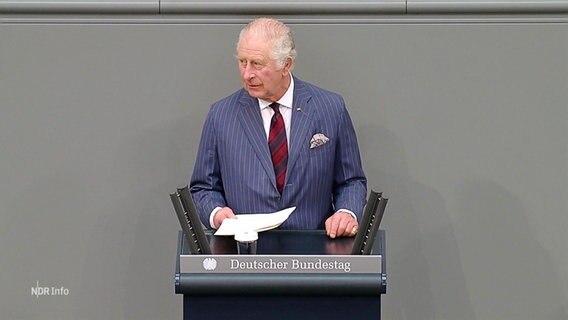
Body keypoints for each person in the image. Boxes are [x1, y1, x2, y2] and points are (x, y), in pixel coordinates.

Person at [190, 17, 367, 238]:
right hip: (245, 255)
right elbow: (203, 188)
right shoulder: (221, 115)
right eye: (242, 62)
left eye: (257, 64)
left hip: (313, 254)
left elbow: (351, 181)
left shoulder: (330, 108)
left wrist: (346, 212)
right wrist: (215, 213)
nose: (247, 74)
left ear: (287, 64)